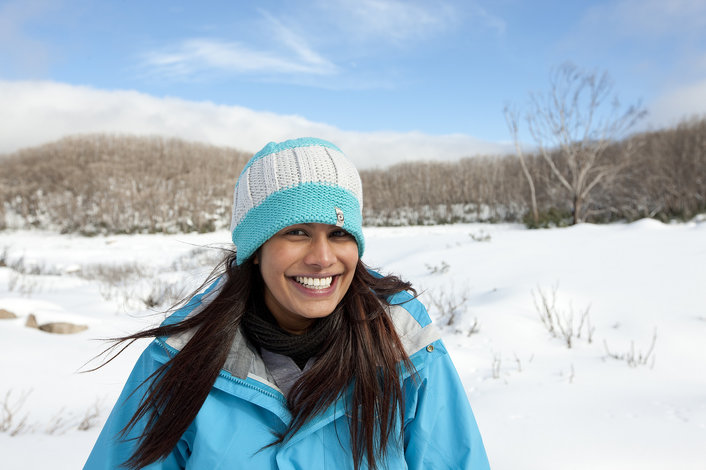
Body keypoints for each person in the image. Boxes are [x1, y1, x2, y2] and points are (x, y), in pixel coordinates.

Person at [85, 137, 490, 470]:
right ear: (255, 249)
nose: (322, 258)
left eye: (339, 233)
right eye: (297, 232)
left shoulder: (403, 348)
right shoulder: (183, 358)